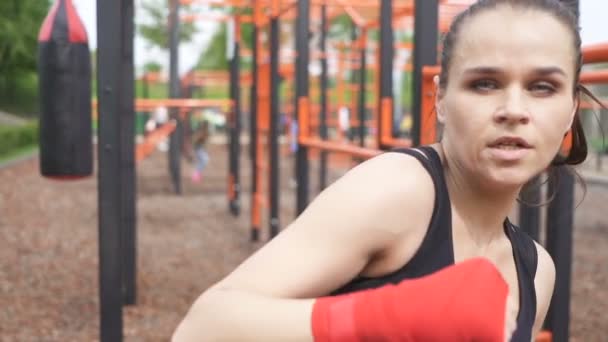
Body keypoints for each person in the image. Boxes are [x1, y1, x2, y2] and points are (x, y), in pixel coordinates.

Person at [172, 1, 597, 341]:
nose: (514, 111)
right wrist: (391, 317)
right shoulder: (402, 190)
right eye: (484, 83)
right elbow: (200, 329)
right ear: (441, 99)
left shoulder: (537, 272)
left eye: (543, 87)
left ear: (570, 110)